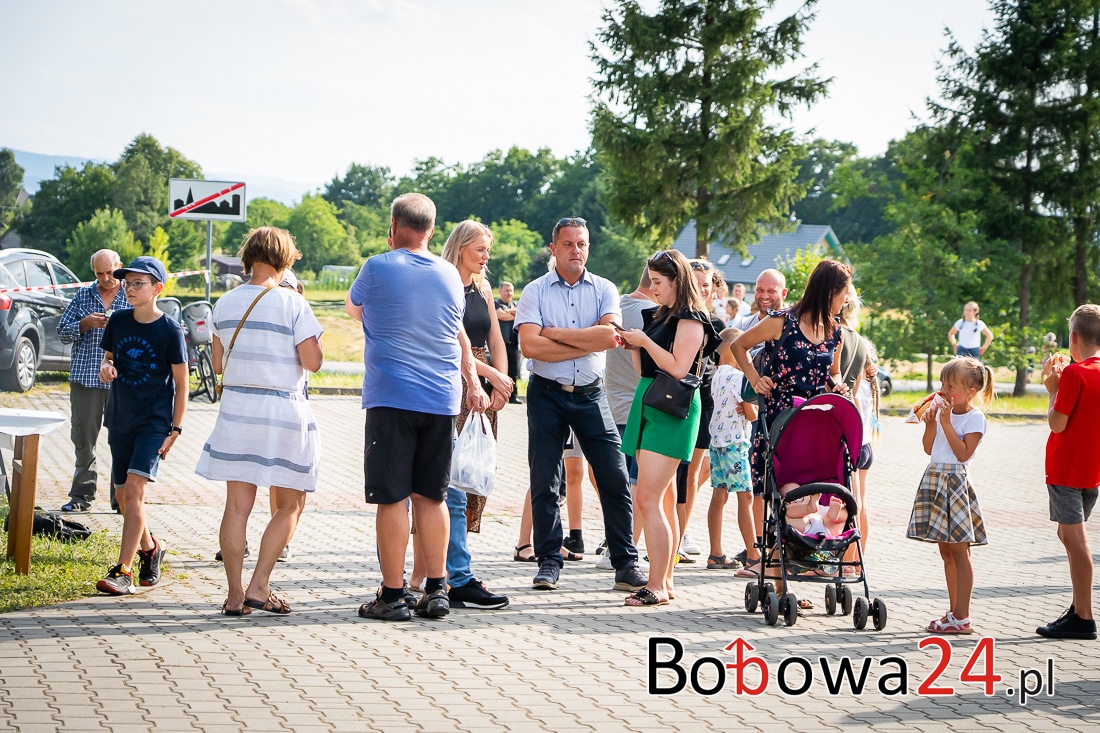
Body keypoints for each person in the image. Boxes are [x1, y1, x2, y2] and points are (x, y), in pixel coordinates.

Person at [345, 193, 488, 622]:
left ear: (393, 227)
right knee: (433, 495)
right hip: (441, 400)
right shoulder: (449, 275)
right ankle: (437, 589)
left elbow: (354, 309)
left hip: (391, 396)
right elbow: (457, 333)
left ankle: (392, 595)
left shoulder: (376, 267)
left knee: (392, 497)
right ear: (431, 230)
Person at [514, 216, 646, 593]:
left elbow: (610, 337)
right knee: (545, 479)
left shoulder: (604, 288)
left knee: (614, 476)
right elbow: (529, 346)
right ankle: (549, 562)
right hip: (546, 393)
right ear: (554, 248)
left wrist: (553, 334)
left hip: (591, 393)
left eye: (582, 244)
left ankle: (625, 563)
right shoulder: (535, 291)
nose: (576, 250)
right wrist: (585, 341)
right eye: (568, 244)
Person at [196, 228, 323, 615]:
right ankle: (260, 585)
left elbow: (218, 365)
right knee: (290, 504)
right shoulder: (293, 303)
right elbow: (313, 362)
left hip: (237, 412)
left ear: (248, 258)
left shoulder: (224, 303)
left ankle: (235, 595)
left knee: (237, 507)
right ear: (285, 261)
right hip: (282, 412)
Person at [409, 220, 512, 610]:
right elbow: (453, 345)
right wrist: (489, 377)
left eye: (488, 249)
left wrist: (502, 382)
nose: (486, 256)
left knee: (470, 482)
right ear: (461, 247)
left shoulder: (483, 287)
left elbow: (495, 338)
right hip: (454, 383)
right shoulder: (444, 282)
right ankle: (446, 574)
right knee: (444, 484)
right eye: (480, 249)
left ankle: (432, 572)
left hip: (483, 388)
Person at [731, 260, 852, 588]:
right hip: (780, 420)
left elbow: (833, 372)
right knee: (782, 501)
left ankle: (798, 572)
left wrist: (838, 385)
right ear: (829, 291)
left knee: (814, 498)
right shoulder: (782, 322)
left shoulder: (835, 330)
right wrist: (755, 379)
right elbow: (738, 345)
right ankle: (779, 584)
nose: (847, 299)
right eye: (844, 293)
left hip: (817, 423)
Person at [619, 249, 719, 605]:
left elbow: (678, 368)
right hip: (650, 400)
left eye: (659, 282)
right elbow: (643, 369)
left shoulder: (691, 318)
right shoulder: (662, 314)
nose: (653, 288)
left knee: (646, 499)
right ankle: (666, 580)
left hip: (671, 408)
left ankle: (657, 584)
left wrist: (644, 341)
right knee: (659, 499)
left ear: (677, 281)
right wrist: (632, 344)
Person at [94, 256, 187, 595]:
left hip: (153, 424)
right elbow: (108, 358)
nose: (129, 289)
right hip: (120, 418)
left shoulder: (170, 330)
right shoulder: (118, 321)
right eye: (127, 283)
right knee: (122, 497)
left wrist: (175, 430)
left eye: (138, 283)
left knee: (134, 492)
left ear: (157, 288)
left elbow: (182, 383)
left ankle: (124, 571)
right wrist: (106, 367)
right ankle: (151, 548)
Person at [906, 356, 994, 634]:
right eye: (943, 383)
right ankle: (954, 612)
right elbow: (929, 448)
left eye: (951, 386)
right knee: (945, 551)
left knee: (960, 551)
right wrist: (931, 424)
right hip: (935, 477)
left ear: (971, 392)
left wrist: (945, 422)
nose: (944, 390)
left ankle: (963, 616)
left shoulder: (974, 417)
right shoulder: (942, 411)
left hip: (955, 482)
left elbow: (963, 453)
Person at [1037, 304, 1100, 640]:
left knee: (1076, 541)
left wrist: (1053, 391)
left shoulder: (1075, 374)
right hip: (1092, 470)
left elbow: (1057, 424)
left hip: (1066, 470)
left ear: (1073, 337)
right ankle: (1078, 608)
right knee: (1067, 534)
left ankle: (1084, 617)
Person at [58, 249, 131, 513]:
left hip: (120, 381)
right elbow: (61, 332)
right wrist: (84, 324)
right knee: (83, 440)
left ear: (119, 266)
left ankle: (121, 500)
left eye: (110, 272)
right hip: (85, 380)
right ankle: (81, 496)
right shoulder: (83, 296)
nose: (106, 278)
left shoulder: (131, 295)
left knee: (122, 440)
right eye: (100, 274)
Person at [674, 260, 725, 562]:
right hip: (675, 401)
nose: (702, 290)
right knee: (672, 473)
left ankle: (680, 536)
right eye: (696, 283)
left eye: (706, 285)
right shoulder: (676, 318)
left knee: (692, 475)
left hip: (705, 404)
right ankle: (667, 535)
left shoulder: (717, 325)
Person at [705, 328, 756, 569]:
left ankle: (715, 552)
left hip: (717, 442)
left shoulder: (716, 375)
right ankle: (754, 554)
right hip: (735, 442)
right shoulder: (738, 377)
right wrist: (751, 408)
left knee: (719, 494)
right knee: (746, 496)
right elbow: (752, 414)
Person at [495, 281, 522, 404]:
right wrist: (514, 313)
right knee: (499, 370)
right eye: (506, 290)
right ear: (500, 291)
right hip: (500, 344)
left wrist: (508, 312)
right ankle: (497, 394)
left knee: (513, 371)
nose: (509, 293)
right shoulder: (495, 304)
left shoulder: (517, 304)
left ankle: (512, 396)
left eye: (511, 290)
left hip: (514, 343)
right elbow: (500, 316)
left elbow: (522, 315)